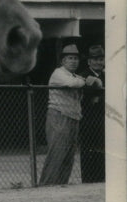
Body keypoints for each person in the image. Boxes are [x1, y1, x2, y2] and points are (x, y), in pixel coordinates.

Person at [38, 42, 101, 186]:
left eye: (76, 58)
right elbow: (73, 84)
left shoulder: (75, 76)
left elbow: (95, 82)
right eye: (70, 58)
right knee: (57, 153)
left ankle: (61, 184)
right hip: (59, 116)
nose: (73, 61)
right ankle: (46, 185)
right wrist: (86, 80)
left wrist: (87, 80)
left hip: (73, 117)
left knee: (68, 155)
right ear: (63, 61)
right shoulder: (59, 73)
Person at [79, 44, 105, 182]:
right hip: (89, 120)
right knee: (89, 150)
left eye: (100, 59)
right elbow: (88, 100)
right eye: (94, 59)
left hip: (105, 120)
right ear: (89, 61)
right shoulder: (84, 76)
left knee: (103, 151)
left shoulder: (108, 76)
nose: (98, 62)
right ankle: (88, 180)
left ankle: (102, 179)